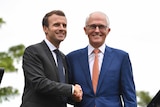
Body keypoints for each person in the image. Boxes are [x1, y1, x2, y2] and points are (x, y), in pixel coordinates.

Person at [66, 11, 137, 107]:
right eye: (92, 26)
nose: (97, 30)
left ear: (108, 30)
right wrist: (74, 96)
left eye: (101, 27)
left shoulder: (121, 58)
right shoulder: (72, 58)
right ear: (85, 30)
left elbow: (129, 96)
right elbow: (66, 93)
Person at [20, 10, 82, 107]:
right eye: (57, 25)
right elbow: (39, 83)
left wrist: (75, 96)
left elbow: (61, 91)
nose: (62, 28)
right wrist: (71, 89)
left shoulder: (63, 58)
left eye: (64, 25)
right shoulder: (33, 51)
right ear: (45, 28)